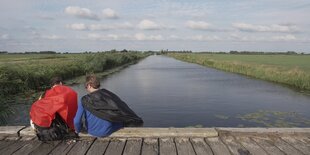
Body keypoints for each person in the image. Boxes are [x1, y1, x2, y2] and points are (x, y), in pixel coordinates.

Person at [74, 74, 143, 137]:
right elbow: (120, 107)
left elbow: (76, 121)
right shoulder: (108, 95)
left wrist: (79, 130)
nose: (86, 89)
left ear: (89, 85)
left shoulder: (83, 100)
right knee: (123, 122)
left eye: (86, 87)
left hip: (92, 131)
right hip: (108, 130)